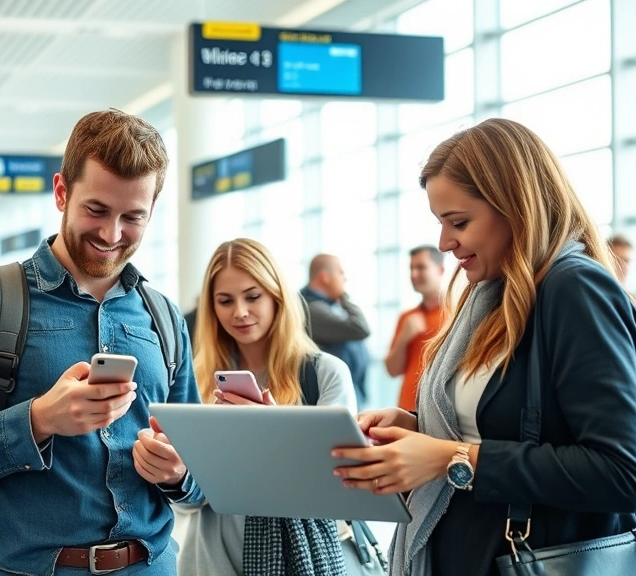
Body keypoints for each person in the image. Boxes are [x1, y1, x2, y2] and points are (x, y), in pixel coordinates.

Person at [0, 109, 201, 575]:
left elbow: (200, 474)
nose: (111, 234)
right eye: (96, 210)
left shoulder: (164, 318)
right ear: (61, 192)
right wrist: (37, 421)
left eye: (132, 217)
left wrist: (180, 474)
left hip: (151, 565)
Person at [332, 118, 636, 576]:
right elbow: (518, 427)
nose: (445, 242)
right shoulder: (494, 298)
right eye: (441, 223)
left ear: (516, 207)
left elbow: (621, 471)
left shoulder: (574, 289)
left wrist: (448, 458)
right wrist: (420, 430)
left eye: (458, 222)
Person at [178, 238, 355, 576]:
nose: (240, 312)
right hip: (212, 556)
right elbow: (191, 500)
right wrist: (173, 476)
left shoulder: (324, 373)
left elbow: (336, 488)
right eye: (225, 301)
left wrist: (272, 433)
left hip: (301, 555)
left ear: (277, 295)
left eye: (253, 296)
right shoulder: (199, 379)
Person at [300, 254, 371, 406]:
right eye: (341, 273)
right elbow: (361, 328)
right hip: (334, 391)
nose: (344, 279)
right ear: (324, 277)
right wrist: (343, 296)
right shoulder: (313, 309)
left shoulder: (326, 305)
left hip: (347, 388)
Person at [386, 246, 446, 411]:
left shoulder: (456, 313)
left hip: (441, 411)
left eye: (421, 267)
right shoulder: (407, 317)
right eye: (411, 268)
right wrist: (404, 337)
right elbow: (392, 370)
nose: (413, 275)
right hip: (407, 409)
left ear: (440, 270)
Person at [608, 234, 636, 310]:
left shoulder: (634, 301)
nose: (623, 265)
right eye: (618, 260)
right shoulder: (601, 294)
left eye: (627, 260)